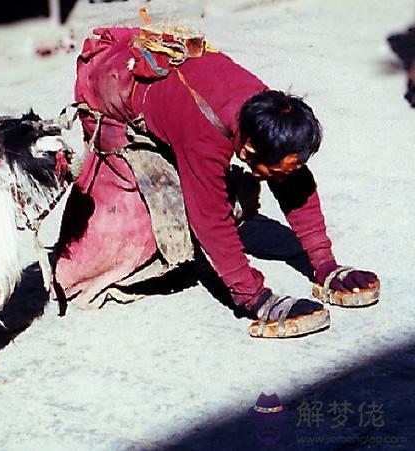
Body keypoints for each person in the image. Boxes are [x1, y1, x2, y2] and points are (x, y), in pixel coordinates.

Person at [53, 26, 379, 338]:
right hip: (108, 88)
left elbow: (294, 182)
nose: (285, 177)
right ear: (248, 149)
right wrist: (256, 298)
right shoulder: (204, 133)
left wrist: (325, 266)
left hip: (175, 101)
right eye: (277, 171)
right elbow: (210, 218)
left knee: (216, 189)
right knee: (97, 262)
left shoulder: (269, 109)